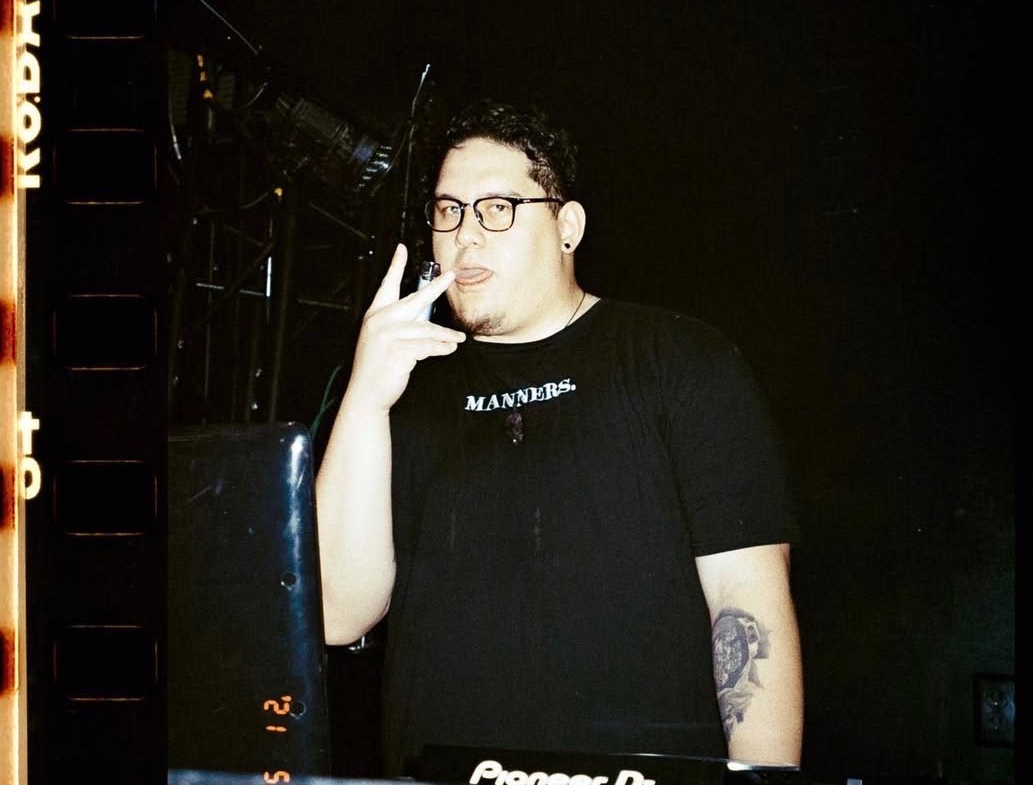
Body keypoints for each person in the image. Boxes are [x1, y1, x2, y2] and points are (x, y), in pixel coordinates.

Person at [315, 100, 802, 773]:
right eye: (448, 210)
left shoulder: (677, 359)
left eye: (497, 208)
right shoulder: (405, 389)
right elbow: (336, 613)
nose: (465, 235)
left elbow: (747, 606)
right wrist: (366, 396)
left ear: (566, 226)